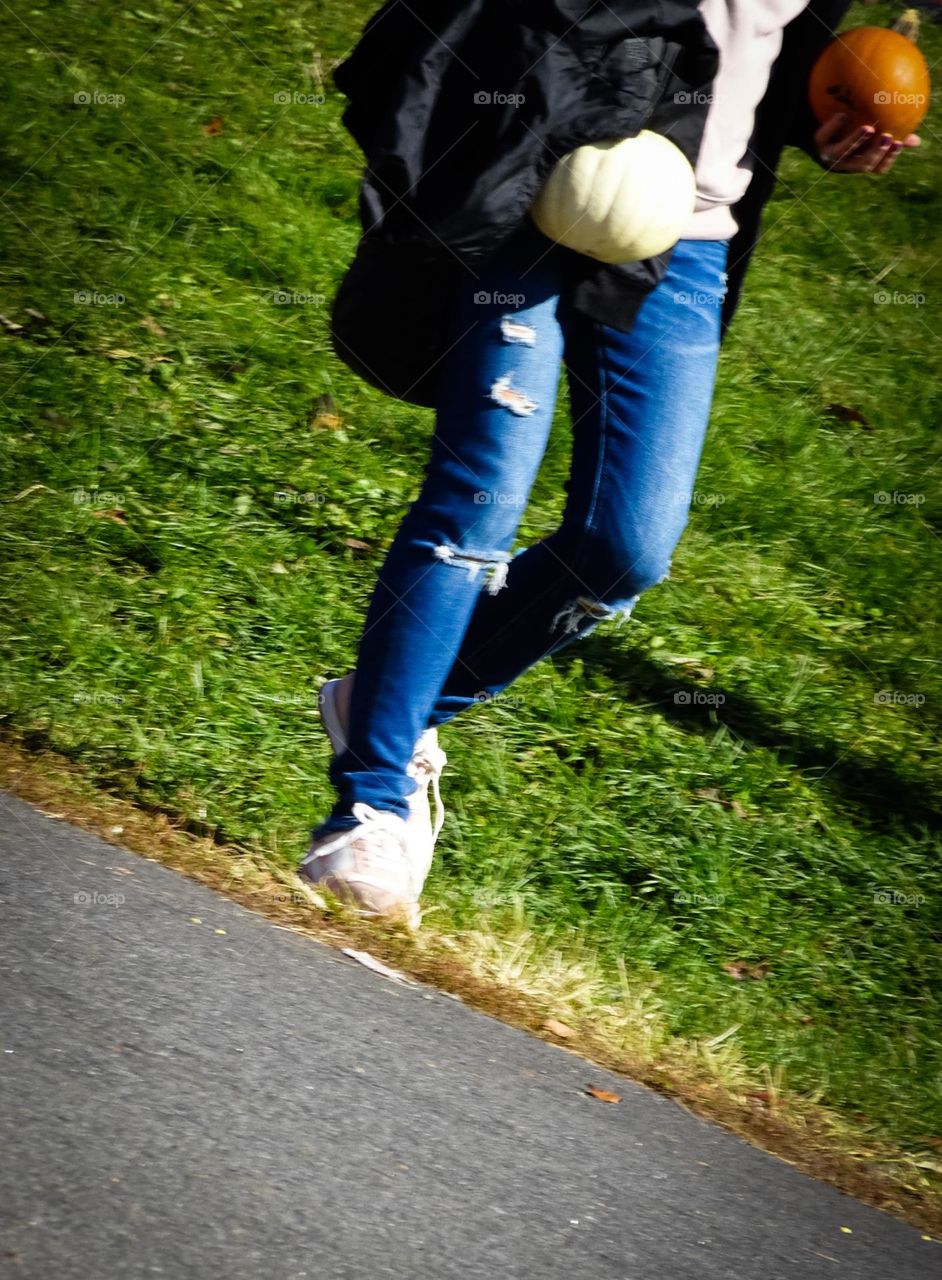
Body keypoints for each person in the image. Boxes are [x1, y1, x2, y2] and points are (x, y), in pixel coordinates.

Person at [300, 1, 920, 929]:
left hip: (689, 238)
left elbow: (742, 55)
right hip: (545, 178)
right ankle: (370, 803)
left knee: (626, 546)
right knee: (480, 496)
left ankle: (388, 701)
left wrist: (817, 122)